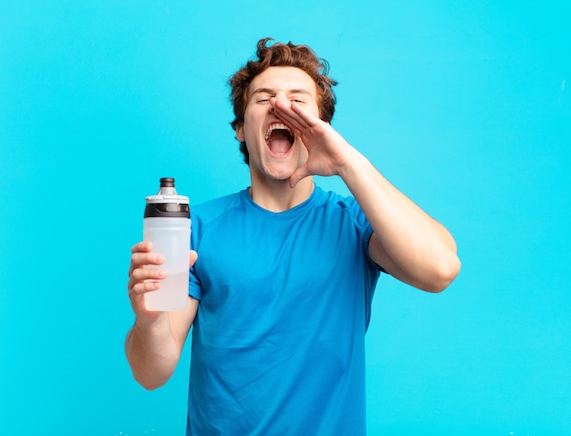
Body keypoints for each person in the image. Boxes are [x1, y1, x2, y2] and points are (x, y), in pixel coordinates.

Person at [126, 37, 460, 435]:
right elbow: (152, 373)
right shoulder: (196, 228)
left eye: (298, 100)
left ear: (320, 130)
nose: (280, 105)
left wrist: (347, 163)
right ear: (240, 129)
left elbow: (440, 269)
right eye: (264, 97)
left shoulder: (353, 223)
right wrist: (148, 321)